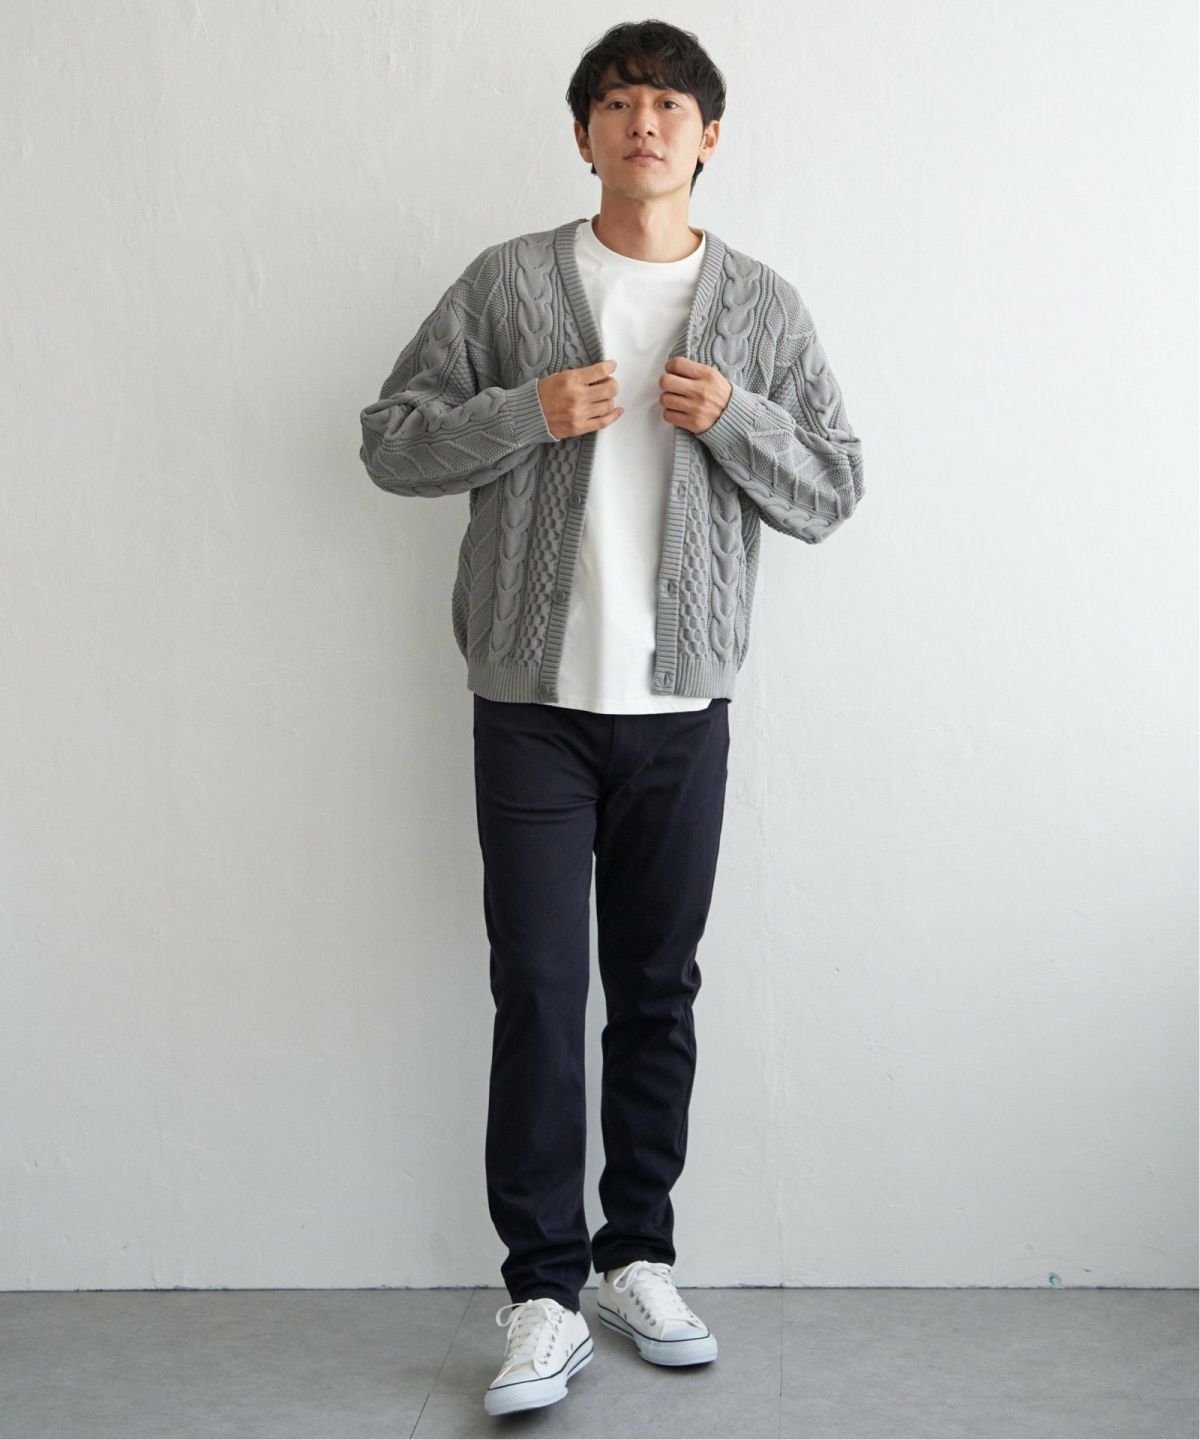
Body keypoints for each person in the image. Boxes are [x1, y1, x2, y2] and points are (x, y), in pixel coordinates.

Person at [358, 19, 865, 1418]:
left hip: (680, 709)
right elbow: (391, 440)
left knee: (656, 991)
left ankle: (637, 1258)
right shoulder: (509, 283)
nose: (646, 122)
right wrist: (525, 410)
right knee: (536, 990)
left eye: (671, 104)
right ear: (584, 134)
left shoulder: (758, 304)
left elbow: (832, 486)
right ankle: (540, 1292)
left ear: (710, 138)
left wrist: (737, 419)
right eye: (621, 102)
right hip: (531, 706)